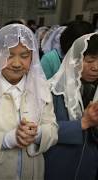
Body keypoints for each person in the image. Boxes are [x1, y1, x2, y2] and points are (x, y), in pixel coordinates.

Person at [0, 24, 58, 180]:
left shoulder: (41, 86)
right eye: (9, 55)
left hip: (31, 171)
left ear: (32, 57)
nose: (17, 63)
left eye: (24, 56)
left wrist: (36, 134)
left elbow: (52, 128)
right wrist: (9, 139)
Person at [44, 33, 98, 180]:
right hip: (56, 168)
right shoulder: (51, 90)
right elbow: (38, 131)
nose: (96, 67)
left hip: (87, 169)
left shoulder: (94, 90)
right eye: (90, 60)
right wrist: (83, 123)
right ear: (74, 60)